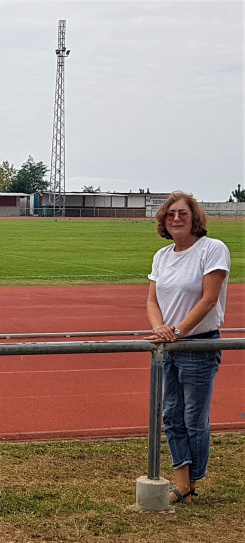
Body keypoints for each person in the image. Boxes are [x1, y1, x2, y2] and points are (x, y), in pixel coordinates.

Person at [145, 191, 230, 505]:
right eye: (170, 214)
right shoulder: (162, 255)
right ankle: (182, 482)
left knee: (194, 418)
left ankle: (192, 480)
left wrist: (178, 331)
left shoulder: (212, 249)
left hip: (198, 345)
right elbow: (152, 300)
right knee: (171, 415)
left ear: (195, 218)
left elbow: (208, 299)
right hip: (168, 345)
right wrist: (160, 329)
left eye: (182, 213)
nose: (176, 218)